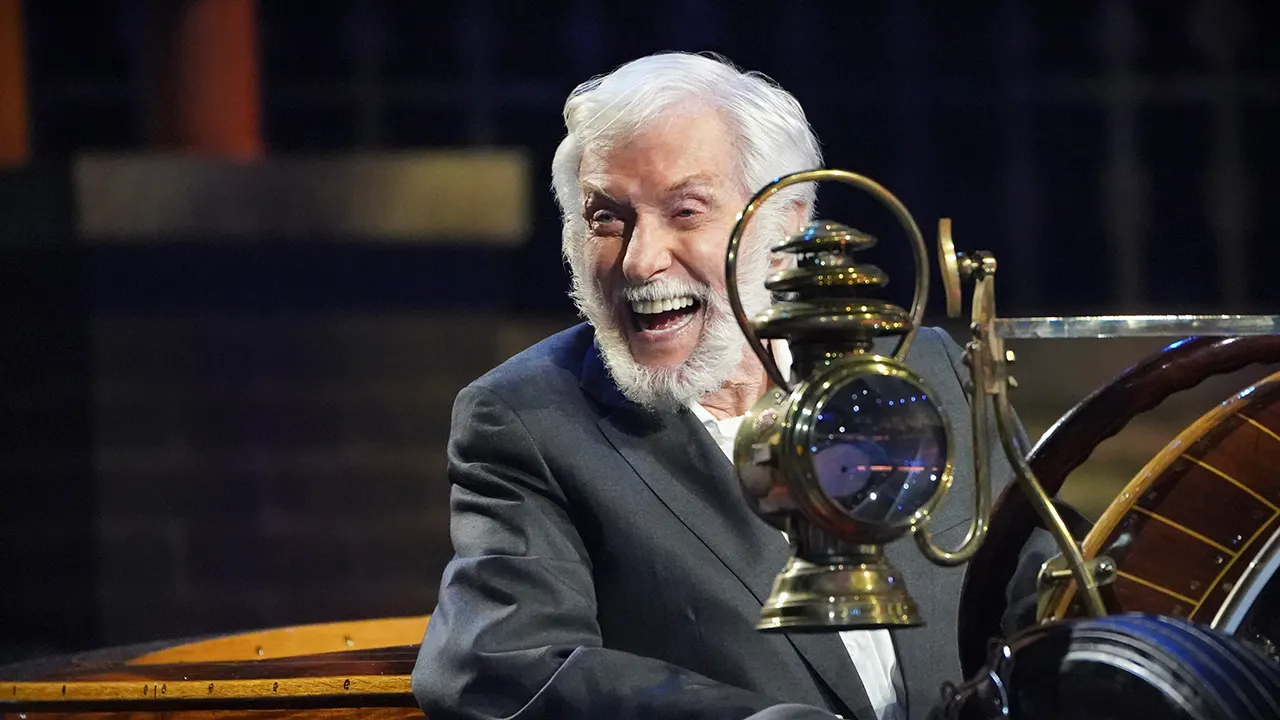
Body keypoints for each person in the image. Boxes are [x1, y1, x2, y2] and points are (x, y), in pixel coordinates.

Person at [412, 52, 1028, 720]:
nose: (641, 261)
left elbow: (1048, 597)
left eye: (685, 211)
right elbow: (501, 665)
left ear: (787, 221)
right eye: (606, 218)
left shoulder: (923, 373)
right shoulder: (529, 421)